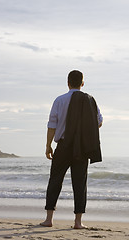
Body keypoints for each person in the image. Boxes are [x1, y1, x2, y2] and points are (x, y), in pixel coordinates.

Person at [40, 70, 103, 229]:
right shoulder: (90, 100)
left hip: (63, 145)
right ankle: (78, 222)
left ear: (68, 83)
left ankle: (49, 219)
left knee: (55, 180)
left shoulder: (59, 100)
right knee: (80, 183)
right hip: (81, 147)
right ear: (82, 83)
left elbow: (52, 125)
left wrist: (48, 146)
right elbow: (99, 122)